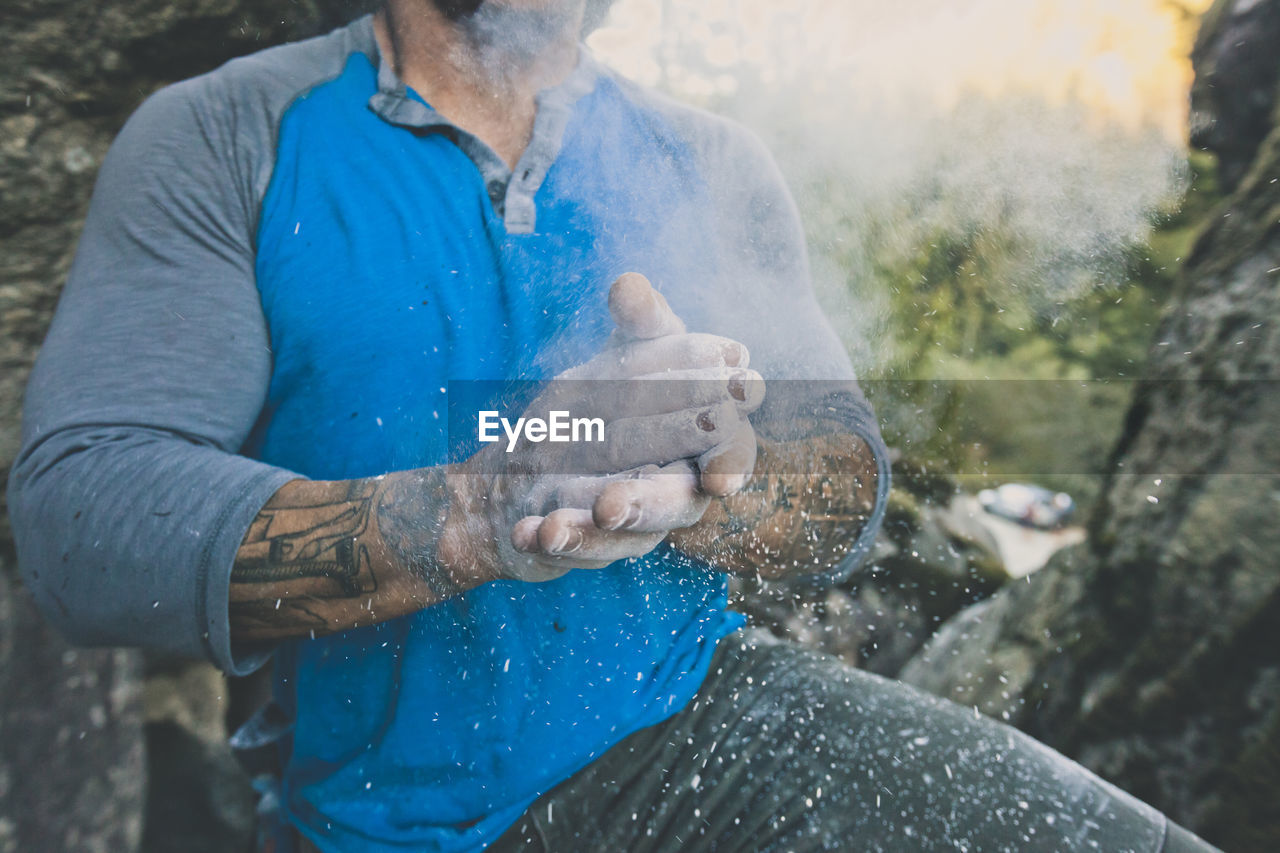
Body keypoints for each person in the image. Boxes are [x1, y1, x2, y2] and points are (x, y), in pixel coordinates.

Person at [8, 1, 1219, 851]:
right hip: (371, 807)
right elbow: (81, 517)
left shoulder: (709, 161)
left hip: (694, 734)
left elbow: (845, 483)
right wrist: (495, 501)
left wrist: (723, 476)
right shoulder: (228, 137)